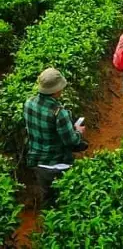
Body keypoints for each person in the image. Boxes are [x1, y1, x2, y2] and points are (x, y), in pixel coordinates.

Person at [24, 68, 87, 208]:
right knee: (65, 203)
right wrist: (78, 132)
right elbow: (71, 141)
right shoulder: (59, 113)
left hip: (39, 163)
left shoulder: (28, 103)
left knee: (47, 199)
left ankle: (46, 226)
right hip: (59, 164)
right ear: (57, 90)